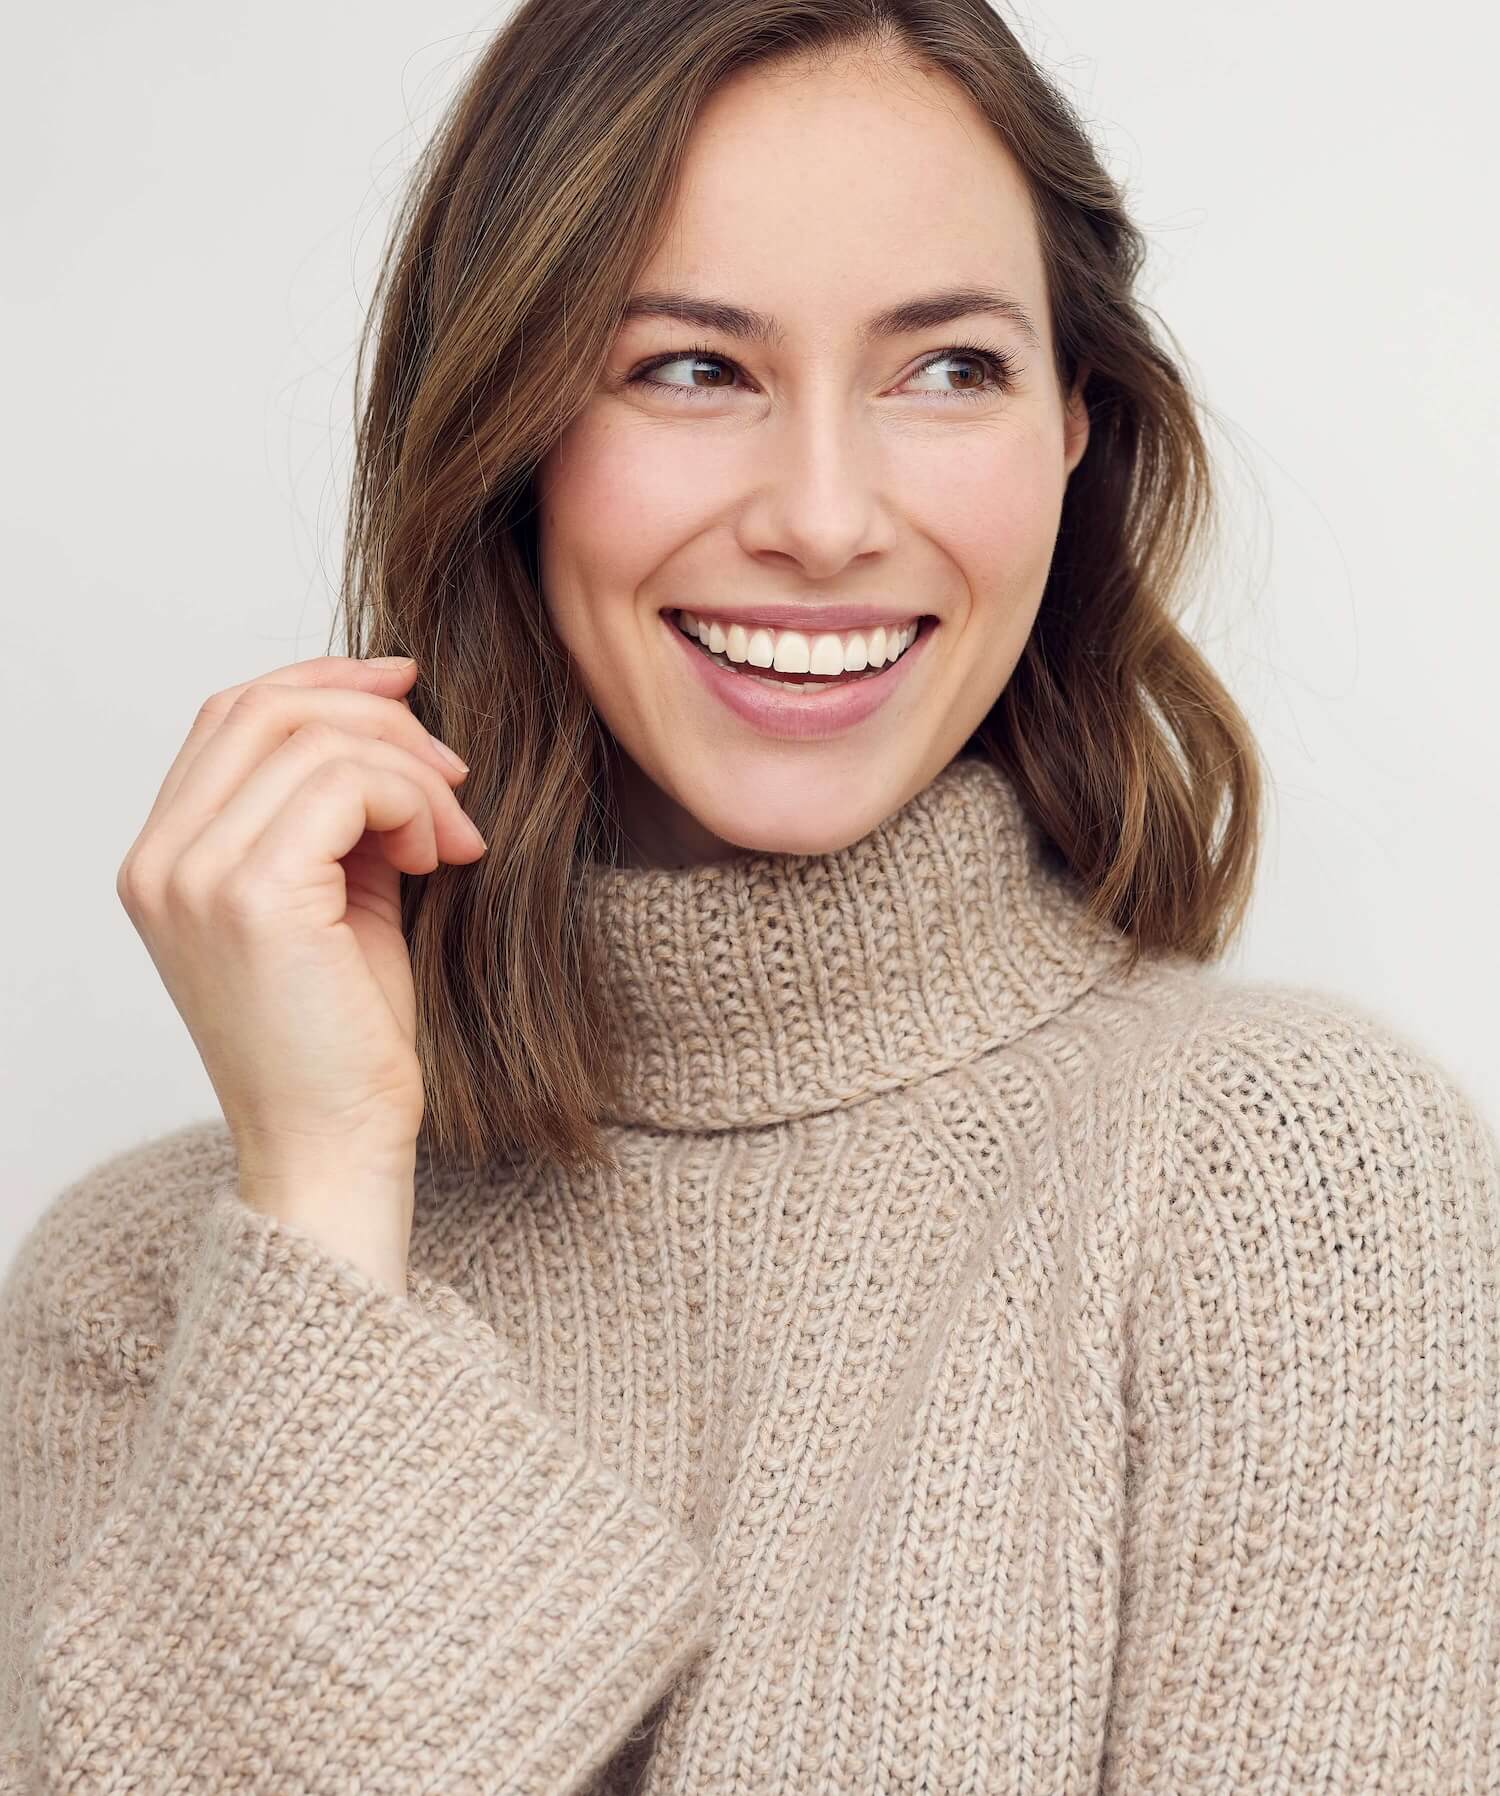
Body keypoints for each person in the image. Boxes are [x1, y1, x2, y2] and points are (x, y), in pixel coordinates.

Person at [4, 0, 1496, 1790]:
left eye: (946, 368)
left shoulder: (1288, 1184)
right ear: (507, 431)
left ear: (1078, 431)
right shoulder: (150, 1286)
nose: (822, 514)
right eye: (691, 368)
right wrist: (324, 1194)